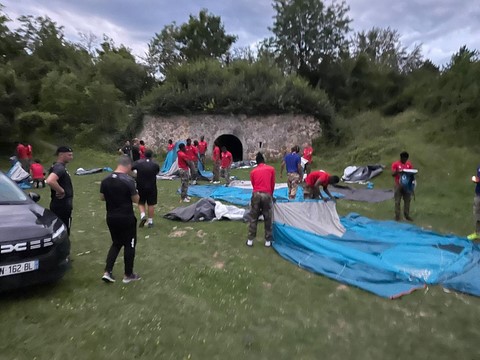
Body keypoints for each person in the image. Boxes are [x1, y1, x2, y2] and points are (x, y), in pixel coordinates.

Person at [100, 156, 141, 284]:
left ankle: (107, 271)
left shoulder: (105, 179)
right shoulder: (128, 180)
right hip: (126, 217)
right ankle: (128, 274)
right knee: (130, 244)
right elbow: (136, 200)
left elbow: (102, 197)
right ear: (128, 166)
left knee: (116, 243)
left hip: (111, 216)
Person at [246, 152, 276, 247]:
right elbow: (272, 183)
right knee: (267, 217)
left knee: (253, 217)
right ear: (264, 160)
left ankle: (250, 240)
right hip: (267, 194)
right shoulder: (271, 169)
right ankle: (267, 240)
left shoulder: (253, 172)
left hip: (256, 194)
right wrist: (271, 194)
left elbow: (253, 184)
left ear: (257, 162)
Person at [46, 146, 74, 235]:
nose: (71, 157)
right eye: (69, 155)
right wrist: (61, 191)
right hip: (62, 204)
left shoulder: (58, 167)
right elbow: (50, 180)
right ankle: (63, 247)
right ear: (61, 155)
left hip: (59, 204)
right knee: (63, 229)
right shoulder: (59, 168)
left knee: (57, 228)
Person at [132, 150, 160, 228]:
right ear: (151, 156)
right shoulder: (155, 164)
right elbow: (157, 172)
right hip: (152, 186)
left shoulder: (138, 163)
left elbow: (131, 168)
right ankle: (150, 222)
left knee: (141, 202)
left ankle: (142, 215)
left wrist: (135, 175)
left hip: (141, 185)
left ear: (144, 155)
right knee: (151, 204)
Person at [391, 151, 414, 221]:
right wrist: (398, 171)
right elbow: (393, 174)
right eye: (404, 158)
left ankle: (407, 215)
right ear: (401, 158)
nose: (405, 160)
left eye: (406, 159)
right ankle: (397, 216)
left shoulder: (409, 165)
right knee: (397, 201)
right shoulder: (396, 164)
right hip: (398, 184)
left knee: (407, 200)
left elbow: (411, 174)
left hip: (407, 185)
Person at [468, 166, 480, 240]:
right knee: (477, 214)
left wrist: (476, 179)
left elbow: (478, 179)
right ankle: (478, 233)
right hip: (478, 194)